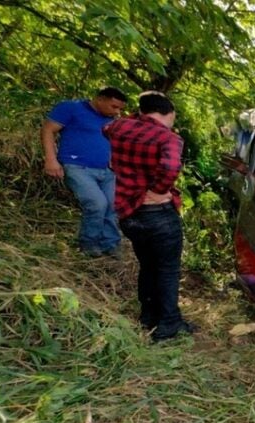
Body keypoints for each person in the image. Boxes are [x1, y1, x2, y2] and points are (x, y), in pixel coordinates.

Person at [103, 91, 196, 341]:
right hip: (158, 215)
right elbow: (170, 167)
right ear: (170, 113)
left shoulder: (118, 126)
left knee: (148, 265)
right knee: (167, 270)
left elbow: (108, 129)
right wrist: (158, 190)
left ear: (141, 112)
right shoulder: (170, 139)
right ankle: (168, 326)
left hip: (128, 214)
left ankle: (148, 316)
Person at [41, 87, 127, 257]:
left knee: (112, 205)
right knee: (97, 204)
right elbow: (48, 129)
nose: (117, 112)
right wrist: (51, 159)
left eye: (120, 109)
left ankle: (110, 244)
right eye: (114, 106)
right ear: (100, 99)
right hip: (78, 167)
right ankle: (89, 244)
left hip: (108, 170)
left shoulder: (112, 120)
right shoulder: (72, 108)